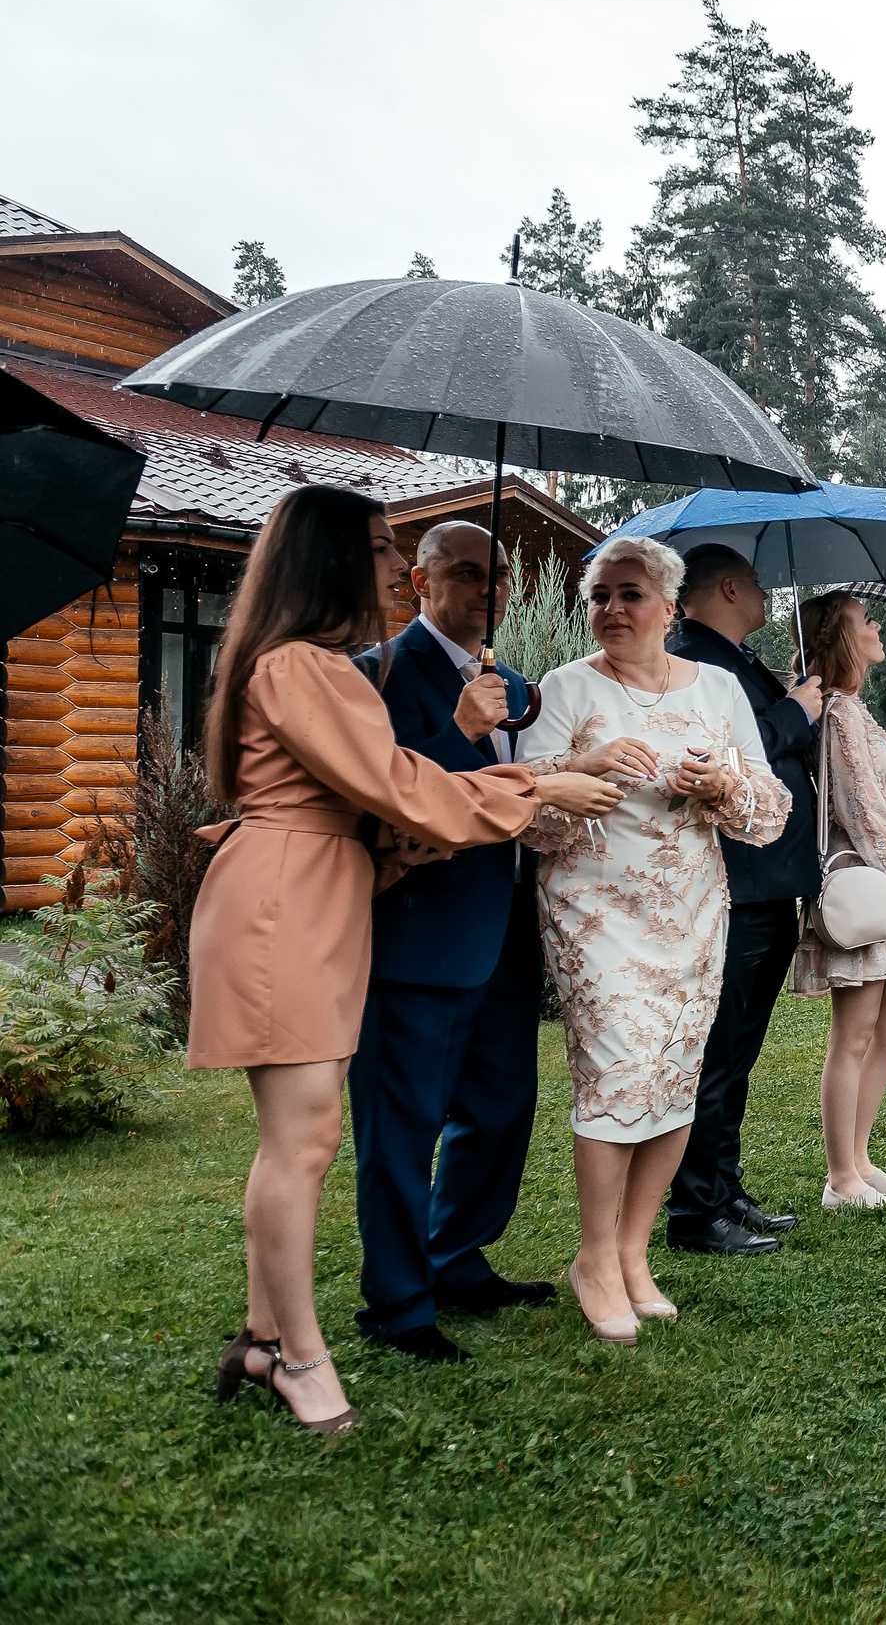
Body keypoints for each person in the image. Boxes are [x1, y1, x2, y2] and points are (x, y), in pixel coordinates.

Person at [196, 487, 618, 1429]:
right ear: (332, 559)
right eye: (382, 548)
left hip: (322, 893)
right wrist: (537, 782)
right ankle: (298, 1357)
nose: (392, 565)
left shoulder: (292, 665)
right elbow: (400, 786)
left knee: (301, 1139)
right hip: (289, 904)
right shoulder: (309, 668)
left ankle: (267, 1338)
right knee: (303, 1142)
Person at [517, 535, 788, 1344]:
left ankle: (634, 1254)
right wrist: (590, 761)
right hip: (594, 913)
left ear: (669, 608)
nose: (611, 610)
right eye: (600, 595)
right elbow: (528, 817)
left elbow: (767, 812)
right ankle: (594, 1256)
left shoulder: (718, 688)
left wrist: (722, 784)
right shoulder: (562, 691)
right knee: (617, 1072)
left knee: (674, 1074)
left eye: (630, 595)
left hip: (694, 909)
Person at [348, 521, 558, 1365]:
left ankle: (457, 1255)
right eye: (468, 574)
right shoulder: (376, 676)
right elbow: (383, 802)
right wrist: (462, 730)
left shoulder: (514, 681)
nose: (488, 590)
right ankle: (398, 1304)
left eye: (498, 576)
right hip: (420, 931)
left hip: (507, 925)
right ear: (421, 583)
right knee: (403, 1125)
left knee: (502, 1107)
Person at [661, 543, 822, 1256]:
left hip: (767, 880)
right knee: (718, 1051)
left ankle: (724, 1186)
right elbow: (736, 751)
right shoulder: (694, 660)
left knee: (741, 1051)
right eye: (755, 585)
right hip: (737, 881)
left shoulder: (735, 656)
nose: (764, 595)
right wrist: (796, 710)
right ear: (728, 587)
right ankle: (695, 1208)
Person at [786, 590, 886, 1213]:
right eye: (865, 619)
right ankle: (840, 1175)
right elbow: (863, 814)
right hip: (868, 883)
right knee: (853, 1033)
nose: (878, 626)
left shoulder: (855, 709)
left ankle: (860, 1159)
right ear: (840, 635)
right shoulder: (838, 713)